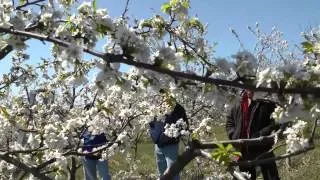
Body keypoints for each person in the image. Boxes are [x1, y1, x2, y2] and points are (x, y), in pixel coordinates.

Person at [226, 89, 280, 180]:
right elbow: (229, 122)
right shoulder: (238, 103)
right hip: (243, 150)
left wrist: (261, 134)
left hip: (263, 147)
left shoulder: (266, 102)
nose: (249, 91)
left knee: (271, 176)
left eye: (252, 88)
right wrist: (234, 135)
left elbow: (275, 121)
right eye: (247, 88)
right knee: (246, 177)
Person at [149, 91, 188, 180]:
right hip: (158, 145)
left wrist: (172, 137)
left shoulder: (177, 108)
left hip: (171, 145)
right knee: (162, 173)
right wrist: (154, 137)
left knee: (173, 173)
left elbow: (184, 125)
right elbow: (151, 123)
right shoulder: (155, 107)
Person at [81, 104, 111, 180]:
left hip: (101, 153)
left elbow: (108, 136)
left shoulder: (102, 122)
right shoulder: (84, 124)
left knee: (105, 177)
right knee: (90, 178)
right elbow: (81, 139)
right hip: (88, 154)